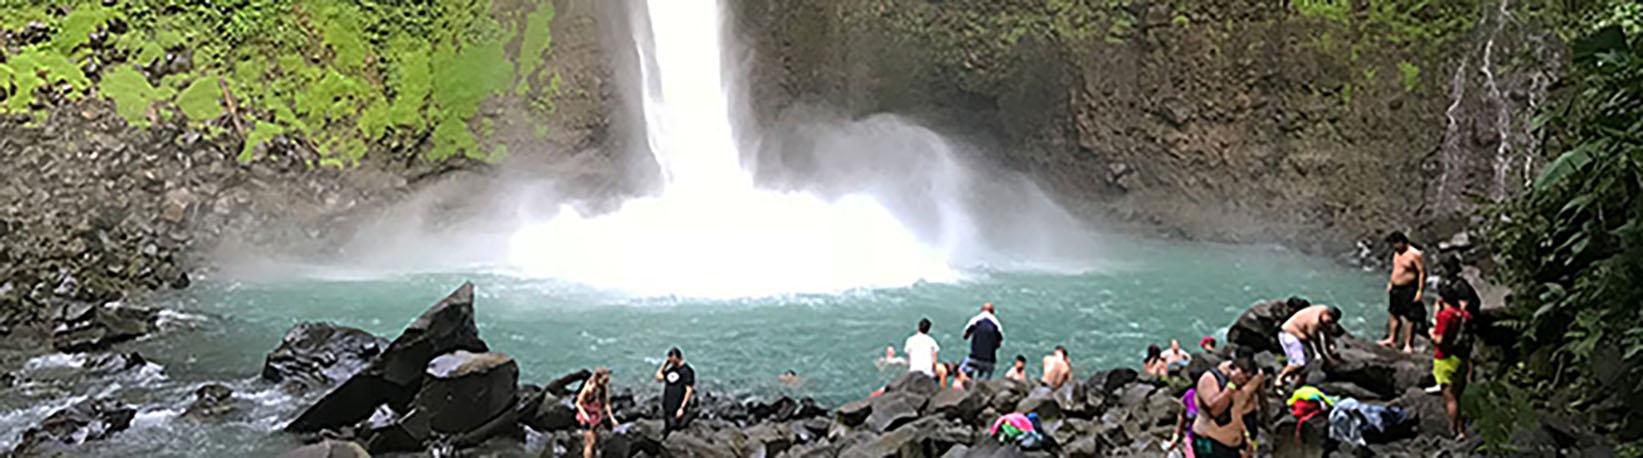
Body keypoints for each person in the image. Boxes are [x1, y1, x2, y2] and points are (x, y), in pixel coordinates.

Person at [1192, 355, 1265, 458]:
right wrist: (1230, 387)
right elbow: (1215, 411)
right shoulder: (1209, 379)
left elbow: (1236, 413)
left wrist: (1246, 437)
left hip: (1234, 447)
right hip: (1211, 442)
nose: (1245, 382)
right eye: (1244, 377)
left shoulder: (1239, 387)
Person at [1431, 285, 1472, 440]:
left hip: (1445, 359)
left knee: (1450, 397)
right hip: (1461, 358)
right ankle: (1462, 430)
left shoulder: (1445, 316)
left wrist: (1431, 334)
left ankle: (1453, 431)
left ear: (1441, 299)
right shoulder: (1464, 315)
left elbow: (1439, 340)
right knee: (1458, 395)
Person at [1379, 231, 1426, 353]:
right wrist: (1391, 282)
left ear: (1401, 242)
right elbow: (1396, 268)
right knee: (1393, 313)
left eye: (1395, 244)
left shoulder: (1414, 254)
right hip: (1395, 287)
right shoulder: (1397, 252)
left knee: (1409, 317)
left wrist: (1420, 291)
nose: (1393, 247)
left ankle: (1408, 344)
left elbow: (1421, 272)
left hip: (1408, 288)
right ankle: (1391, 338)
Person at [1277, 305, 1343, 385]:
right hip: (1289, 334)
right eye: (1329, 321)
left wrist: (1329, 351)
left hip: (1301, 335)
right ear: (1325, 313)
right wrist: (1325, 357)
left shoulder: (1322, 309)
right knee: (1299, 363)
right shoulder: (1314, 322)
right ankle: (1280, 378)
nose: (1329, 323)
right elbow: (1316, 341)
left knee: (1309, 359)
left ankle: (1295, 378)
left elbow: (1326, 333)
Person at [576, 368, 618, 458]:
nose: (606, 382)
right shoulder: (589, 388)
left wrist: (612, 418)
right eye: (604, 380)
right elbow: (578, 403)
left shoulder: (604, 387)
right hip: (587, 416)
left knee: (595, 441)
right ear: (598, 378)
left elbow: (607, 404)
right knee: (590, 442)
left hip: (596, 416)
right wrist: (585, 415)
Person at [655, 347, 695, 438]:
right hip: (668, 404)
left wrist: (682, 407)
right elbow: (658, 377)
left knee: (676, 429)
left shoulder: (687, 371)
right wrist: (665, 364)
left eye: (672, 359)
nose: (671, 361)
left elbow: (689, 390)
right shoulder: (671, 369)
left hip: (678, 404)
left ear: (678, 357)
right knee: (667, 427)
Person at [961, 303, 1004, 380]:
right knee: (983, 381)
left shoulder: (975, 320)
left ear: (981, 310)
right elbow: (998, 344)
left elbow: (965, 336)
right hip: (989, 361)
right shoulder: (997, 324)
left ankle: (965, 383)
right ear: (993, 312)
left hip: (974, 358)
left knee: (962, 371)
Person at [1165, 387, 1199, 457]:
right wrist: (1175, 437)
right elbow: (1182, 416)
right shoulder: (1190, 394)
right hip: (1191, 441)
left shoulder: (1213, 395)